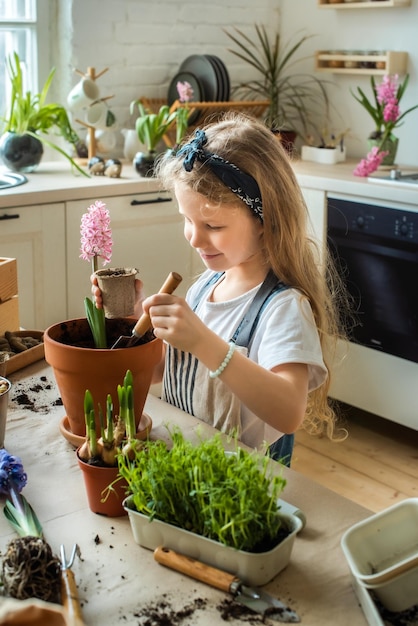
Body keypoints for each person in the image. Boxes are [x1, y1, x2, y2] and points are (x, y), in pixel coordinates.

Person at [93, 113, 347, 466]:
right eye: (187, 218)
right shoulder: (204, 289)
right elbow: (159, 373)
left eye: (212, 224)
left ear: (265, 220)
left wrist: (203, 342)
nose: (194, 237)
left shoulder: (283, 308)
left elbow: (289, 412)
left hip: (241, 491)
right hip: (184, 471)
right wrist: (132, 319)